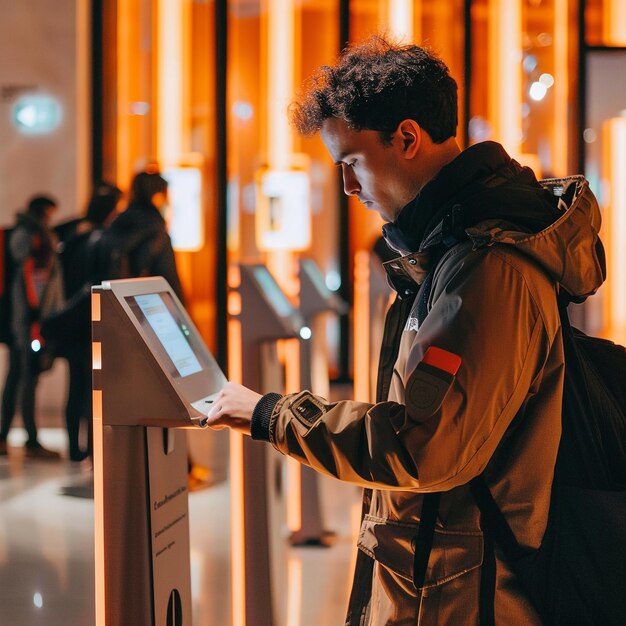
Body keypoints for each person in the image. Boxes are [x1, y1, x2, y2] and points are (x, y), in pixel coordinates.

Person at [205, 37, 605, 625]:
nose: (348, 189)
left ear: (408, 138)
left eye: (352, 163)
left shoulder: (486, 266)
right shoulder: (453, 250)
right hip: (446, 573)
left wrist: (271, 414)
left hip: (469, 590)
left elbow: (426, 448)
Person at [50, 182, 123, 461]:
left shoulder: (71, 233)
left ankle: (74, 448)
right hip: (90, 321)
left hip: (70, 321)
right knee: (93, 391)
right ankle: (93, 448)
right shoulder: (101, 239)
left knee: (75, 386)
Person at [0, 195, 65, 459]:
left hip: (25, 319)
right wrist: (35, 315)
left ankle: (8, 437)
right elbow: (28, 275)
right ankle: (30, 439)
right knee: (25, 377)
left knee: (17, 376)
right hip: (26, 320)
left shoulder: (27, 234)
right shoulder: (32, 236)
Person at [98, 170, 184, 301]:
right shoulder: (157, 233)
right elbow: (169, 281)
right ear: (157, 197)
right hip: (146, 307)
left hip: (112, 305)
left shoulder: (114, 226)